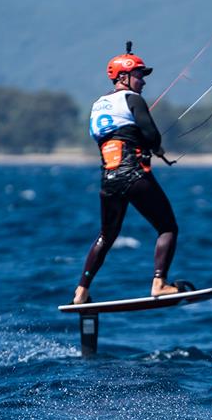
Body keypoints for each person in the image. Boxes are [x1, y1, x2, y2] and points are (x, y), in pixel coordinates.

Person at [71, 42, 187, 305]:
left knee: (106, 235)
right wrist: (156, 148)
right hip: (134, 175)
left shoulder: (98, 105)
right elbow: (151, 135)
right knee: (167, 227)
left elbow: (110, 137)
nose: (143, 82)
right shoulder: (133, 99)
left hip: (108, 179)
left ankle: (81, 291)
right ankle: (159, 282)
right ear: (123, 77)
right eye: (139, 75)